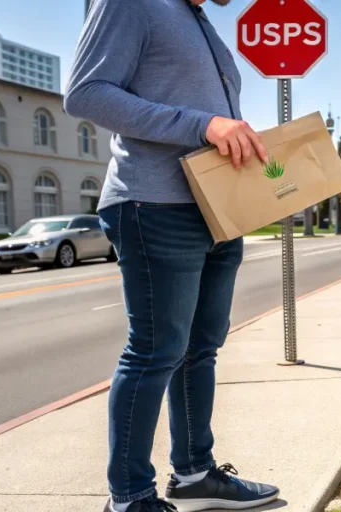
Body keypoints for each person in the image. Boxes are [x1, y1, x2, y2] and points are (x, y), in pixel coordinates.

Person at [65, 0, 278, 510]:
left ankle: (194, 474)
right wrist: (204, 126)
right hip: (154, 202)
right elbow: (85, 94)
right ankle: (130, 496)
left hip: (217, 206)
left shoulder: (197, 18)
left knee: (201, 348)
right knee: (156, 350)